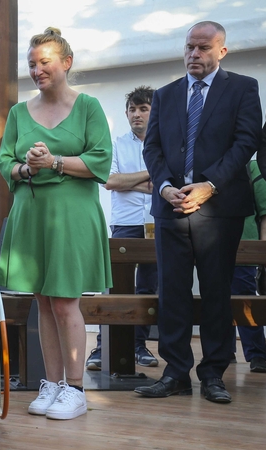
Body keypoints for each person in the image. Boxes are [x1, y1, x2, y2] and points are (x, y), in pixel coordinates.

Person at [137, 21, 261, 404]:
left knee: (215, 293)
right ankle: (175, 373)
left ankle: (213, 375)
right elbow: (152, 148)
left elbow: (245, 143)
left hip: (219, 209)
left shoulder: (242, 88)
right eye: (190, 47)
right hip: (171, 207)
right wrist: (165, 187)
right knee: (171, 293)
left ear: (221, 51)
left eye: (203, 48)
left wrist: (209, 185)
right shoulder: (166, 94)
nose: (194, 54)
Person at [0, 27, 112, 420]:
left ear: (66, 62)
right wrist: (25, 167)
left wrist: (56, 162)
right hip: (32, 215)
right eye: (31, 64)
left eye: (44, 62)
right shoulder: (17, 113)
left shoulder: (88, 107)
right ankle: (51, 383)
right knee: (42, 303)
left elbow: (100, 161)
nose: (36, 70)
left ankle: (76, 388)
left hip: (71, 217)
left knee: (64, 302)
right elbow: (3, 162)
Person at [87, 86, 159, 370]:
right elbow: (110, 181)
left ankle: (138, 346)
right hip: (125, 223)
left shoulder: (165, 143)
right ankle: (101, 348)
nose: (136, 114)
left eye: (143, 109)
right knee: (116, 288)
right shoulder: (116, 143)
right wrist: (150, 177)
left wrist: (132, 181)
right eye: (132, 109)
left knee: (147, 288)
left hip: (156, 223)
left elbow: (165, 182)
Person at [230, 160, 266, 373]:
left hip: (246, 251)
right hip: (215, 249)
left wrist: (263, 251)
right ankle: (224, 352)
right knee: (217, 299)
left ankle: (256, 355)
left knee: (246, 301)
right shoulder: (209, 165)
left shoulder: (253, 167)